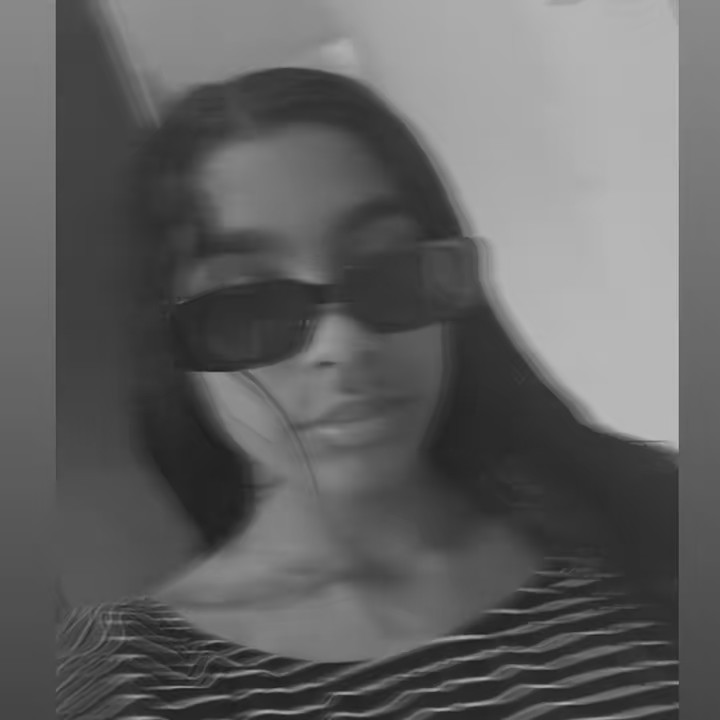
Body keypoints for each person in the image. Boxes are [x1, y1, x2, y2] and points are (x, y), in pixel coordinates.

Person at [57, 68, 678, 720]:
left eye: (388, 267)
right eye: (250, 302)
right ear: (172, 347)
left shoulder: (649, 518)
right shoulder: (125, 676)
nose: (344, 345)